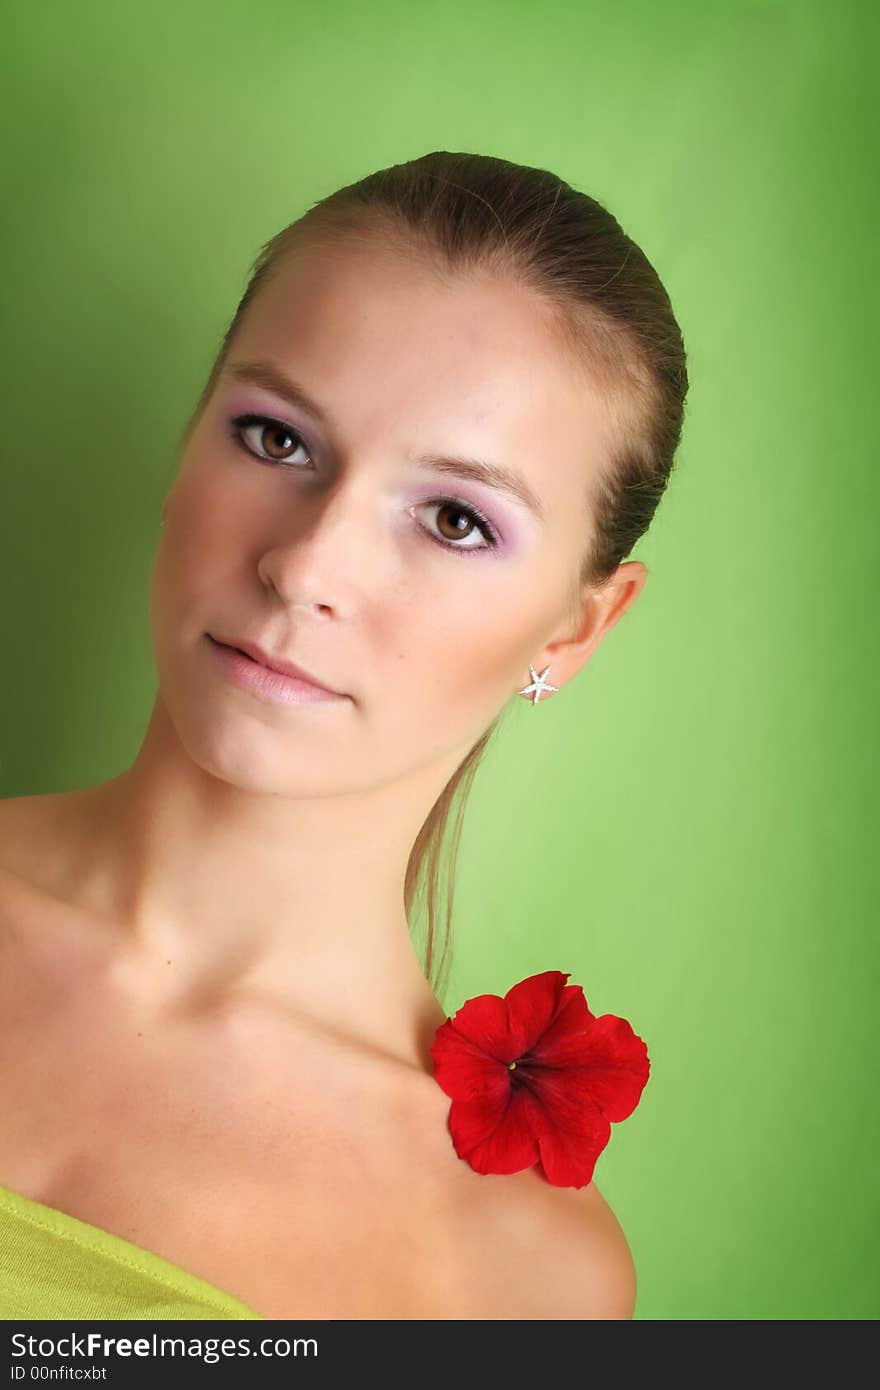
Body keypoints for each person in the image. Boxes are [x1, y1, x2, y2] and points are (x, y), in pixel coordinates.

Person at [0, 150, 688, 1320]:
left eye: (457, 519)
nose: (307, 563)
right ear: (185, 444)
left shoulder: (524, 1275)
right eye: (274, 439)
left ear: (574, 632)